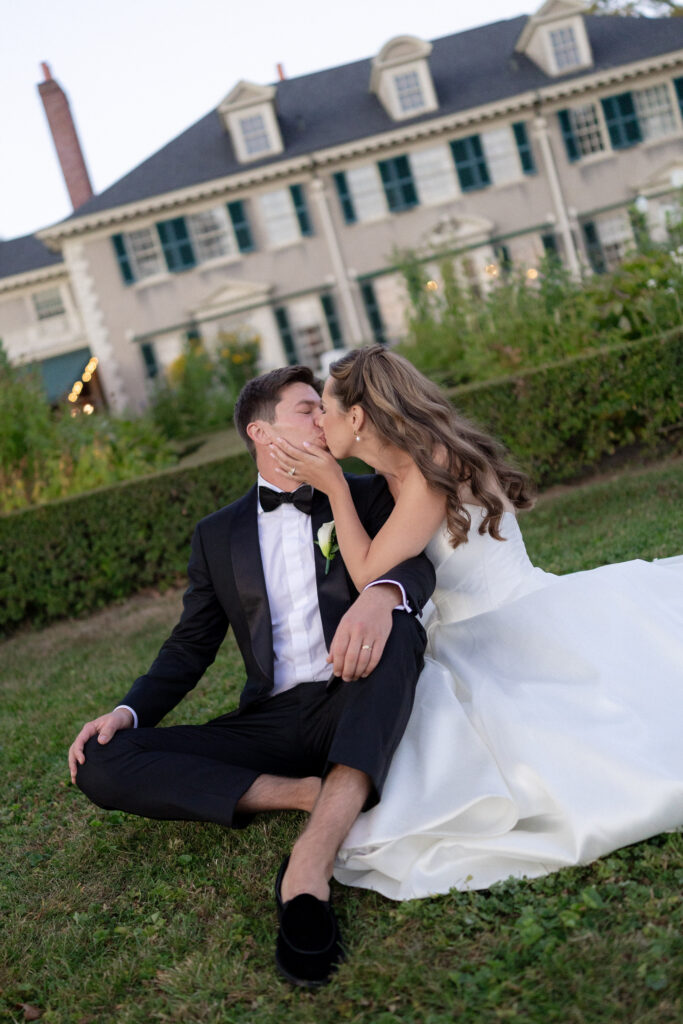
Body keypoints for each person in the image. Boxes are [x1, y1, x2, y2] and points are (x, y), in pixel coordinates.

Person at [269, 345, 683, 900]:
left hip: (512, 621)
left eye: (324, 407)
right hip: (458, 628)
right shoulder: (395, 471)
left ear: (358, 417)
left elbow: (369, 569)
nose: (319, 420)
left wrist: (335, 489)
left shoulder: (431, 468)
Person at [68, 364, 435, 985]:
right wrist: (127, 712)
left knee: (398, 628)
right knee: (102, 759)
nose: (322, 419)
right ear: (260, 433)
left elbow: (417, 568)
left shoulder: (368, 492)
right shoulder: (217, 535)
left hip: (354, 691)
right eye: (304, 410)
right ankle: (300, 793)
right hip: (268, 719)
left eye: (322, 407)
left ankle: (308, 871)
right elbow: (190, 646)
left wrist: (383, 593)